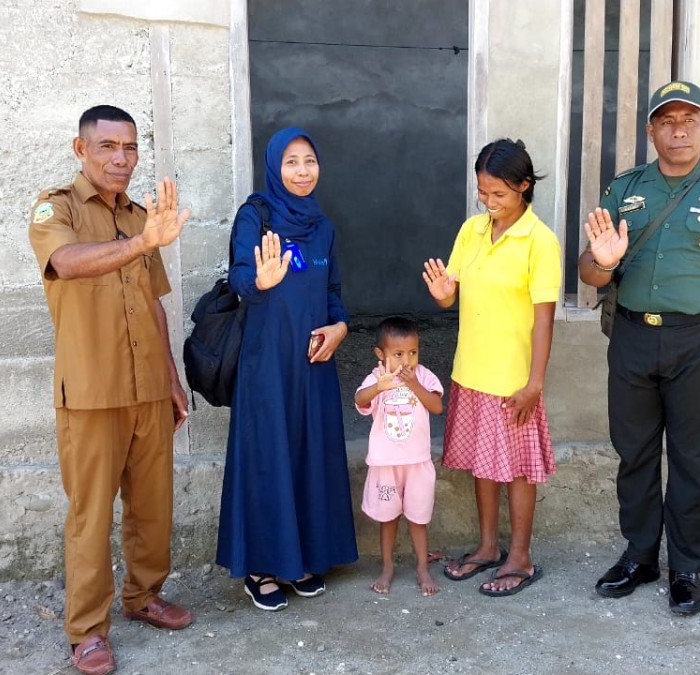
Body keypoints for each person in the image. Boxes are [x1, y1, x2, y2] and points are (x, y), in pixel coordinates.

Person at [579, 81, 700, 616]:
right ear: (651, 131)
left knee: (694, 460)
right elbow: (589, 270)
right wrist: (605, 260)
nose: (679, 128)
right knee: (634, 452)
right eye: (667, 120)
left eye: (690, 118)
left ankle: (685, 568)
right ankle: (640, 557)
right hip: (634, 338)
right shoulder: (625, 189)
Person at [28, 105, 194, 675]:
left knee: (152, 508)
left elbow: (153, 303)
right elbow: (69, 264)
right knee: (91, 515)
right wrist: (141, 242)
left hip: (147, 387)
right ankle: (87, 630)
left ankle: (144, 597)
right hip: (92, 390)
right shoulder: (57, 209)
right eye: (107, 147)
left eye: (130, 147)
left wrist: (172, 380)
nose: (121, 159)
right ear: (81, 150)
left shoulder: (142, 214)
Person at [216, 127, 357, 611]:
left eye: (309, 161)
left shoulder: (323, 226)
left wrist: (339, 329)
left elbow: (333, 293)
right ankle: (261, 565)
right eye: (292, 162)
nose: (302, 171)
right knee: (268, 457)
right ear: (275, 167)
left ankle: (305, 558)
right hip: (266, 364)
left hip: (313, 363)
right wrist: (259, 278)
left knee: (308, 455)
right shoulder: (255, 216)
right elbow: (238, 280)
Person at [422, 138, 561, 597]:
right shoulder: (472, 230)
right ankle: (486, 548)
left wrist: (534, 383)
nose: (489, 202)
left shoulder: (540, 241)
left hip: (514, 379)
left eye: (499, 193)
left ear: (524, 186)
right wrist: (442, 292)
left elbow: (544, 320)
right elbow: (451, 296)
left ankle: (519, 558)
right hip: (471, 371)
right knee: (483, 465)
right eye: (483, 192)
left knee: (519, 470)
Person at [354, 317, 445, 597]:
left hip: (417, 462)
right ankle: (387, 567)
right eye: (398, 354)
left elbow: (437, 406)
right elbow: (360, 400)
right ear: (381, 355)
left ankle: (421, 568)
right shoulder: (378, 378)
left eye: (413, 353)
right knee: (388, 518)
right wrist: (379, 387)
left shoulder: (424, 376)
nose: (407, 361)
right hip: (385, 464)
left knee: (418, 519)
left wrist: (416, 384)